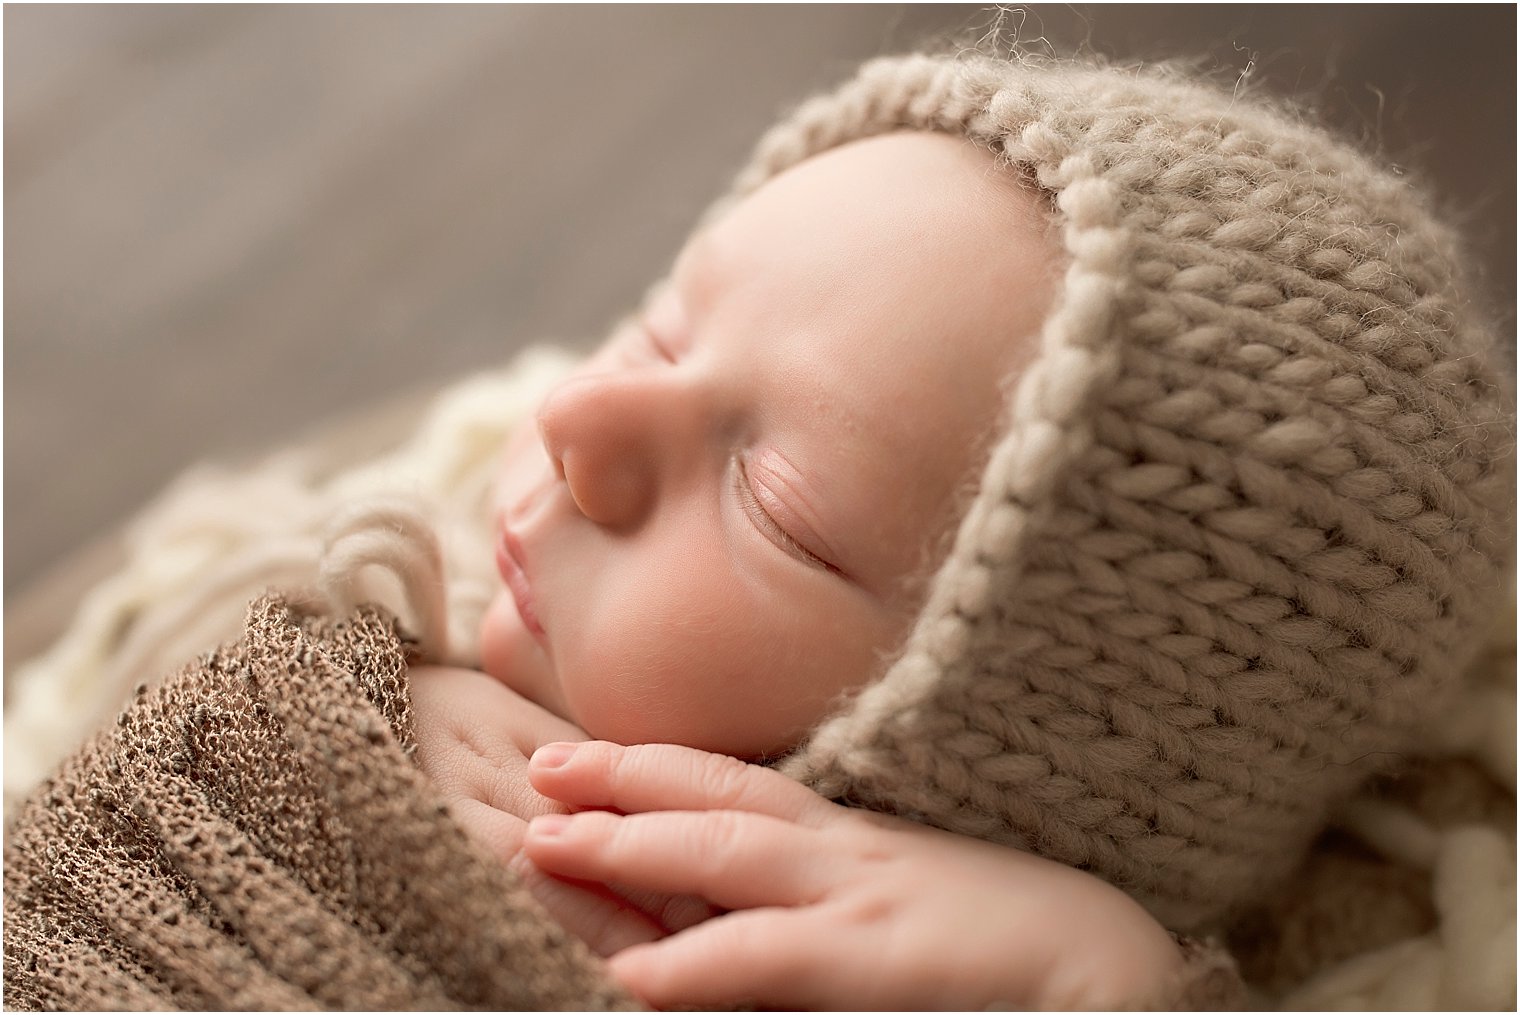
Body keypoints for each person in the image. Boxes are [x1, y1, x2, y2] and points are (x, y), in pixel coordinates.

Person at [6, 50, 1512, 1010]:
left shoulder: (933, 970)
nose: (580, 427)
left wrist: (1089, 982)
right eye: (663, 332)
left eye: (775, 504)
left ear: (972, 774)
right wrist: (310, 680)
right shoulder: (354, 612)